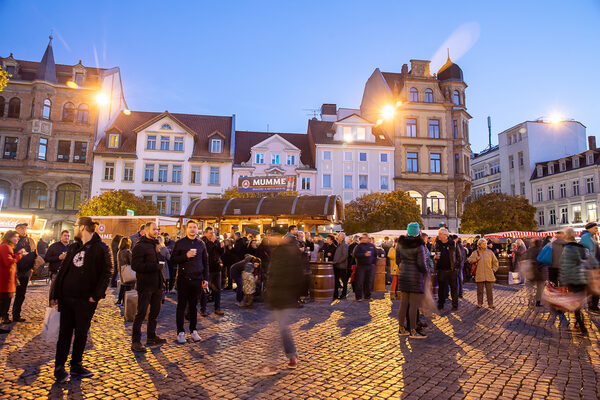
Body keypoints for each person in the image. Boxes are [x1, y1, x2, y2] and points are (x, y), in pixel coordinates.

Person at [49, 217, 112, 383]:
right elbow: (63, 270)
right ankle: (59, 367)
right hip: (66, 298)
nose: (74, 229)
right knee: (64, 333)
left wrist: (96, 295)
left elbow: (107, 272)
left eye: (76, 226)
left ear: (83, 227)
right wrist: (55, 294)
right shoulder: (73, 247)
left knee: (81, 333)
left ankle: (76, 365)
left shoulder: (100, 248)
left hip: (86, 299)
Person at [256, 234, 304, 376]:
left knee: (277, 331)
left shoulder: (283, 252)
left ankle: (271, 364)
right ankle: (292, 356)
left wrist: (272, 293)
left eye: (273, 235)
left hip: (281, 296)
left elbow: (277, 275)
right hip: (286, 296)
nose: (271, 238)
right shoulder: (292, 250)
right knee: (282, 328)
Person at [131, 222, 166, 353]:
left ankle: (151, 336)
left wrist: (161, 281)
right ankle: (136, 341)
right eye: (154, 229)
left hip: (157, 284)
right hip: (145, 285)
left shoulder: (156, 244)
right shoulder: (140, 246)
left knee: (155, 312)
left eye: (157, 229)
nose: (156, 231)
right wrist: (154, 267)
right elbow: (135, 265)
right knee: (141, 313)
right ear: (146, 231)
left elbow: (159, 263)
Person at [172, 220, 209, 344]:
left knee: (194, 306)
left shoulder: (201, 244)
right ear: (186, 229)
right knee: (181, 306)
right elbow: (172, 260)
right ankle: (180, 332)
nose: (192, 229)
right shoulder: (180, 243)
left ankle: (193, 330)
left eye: (194, 227)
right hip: (183, 279)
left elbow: (205, 262)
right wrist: (185, 256)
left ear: (197, 229)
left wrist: (206, 279)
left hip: (197, 279)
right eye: (190, 227)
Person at [560, 227, 596, 336]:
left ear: (566, 236)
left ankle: (582, 326)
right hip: (583, 278)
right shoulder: (581, 247)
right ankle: (577, 324)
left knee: (575, 305)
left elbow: (565, 267)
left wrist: (563, 283)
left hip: (573, 279)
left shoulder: (568, 249)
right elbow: (589, 260)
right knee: (578, 303)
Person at [396, 223, 428, 339]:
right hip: (415, 276)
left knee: (403, 303)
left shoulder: (400, 244)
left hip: (403, 274)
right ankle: (413, 330)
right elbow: (421, 264)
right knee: (413, 305)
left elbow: (397, 260)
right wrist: (426, 272)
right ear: (417, 232)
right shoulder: (419, 246)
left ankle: (401, 328)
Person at [11, 223, 37, 323]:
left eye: (25, 228)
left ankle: (16, 314)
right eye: (21, 228)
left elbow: (35, 253)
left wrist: (33, 266)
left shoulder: (30, 240)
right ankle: (4, 315)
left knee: (21, 294)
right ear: (16, 229)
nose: (23, 229)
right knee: (8, 294)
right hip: (15, 271)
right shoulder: (13, 240)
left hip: (26, 271)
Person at [0, 231, 25, 331]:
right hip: (4, 279)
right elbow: (8, 262)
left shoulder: (6, 246)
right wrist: (19, 254)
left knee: (4, 302)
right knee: (3, 302)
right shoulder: (5, 246)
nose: (17, 239)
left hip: (6, 279)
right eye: (16, 237)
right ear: (10, 237)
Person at [468, 238, 499, 308]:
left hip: (489, 274)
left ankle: (490, 304)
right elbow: (469, 260)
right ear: (479, 245)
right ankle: (479, 303)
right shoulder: (475, 252)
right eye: (483, 243)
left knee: (489, 291)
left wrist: (493, 270)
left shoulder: (490, 252)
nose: (485, 245)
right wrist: (476, 259)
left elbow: (495, 262)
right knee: (480, 291)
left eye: (485, 243)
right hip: (479, 274)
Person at [433, 228, 459, 311]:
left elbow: (459, 256)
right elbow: (432, 252)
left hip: (451, 270)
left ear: (446, 236)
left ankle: (455, 305)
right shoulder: (437, 244)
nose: (439, 236)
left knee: (453, 288)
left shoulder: (453, 244)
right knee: (441, 288)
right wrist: (434, 257)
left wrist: (456, 266)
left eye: (440, 234)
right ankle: (441, 304)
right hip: (441, 269)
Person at [201, 227, 224, 316]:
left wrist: (221, 248)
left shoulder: (216, 241)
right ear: (205, 233)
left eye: (213, 232)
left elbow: (220, 253)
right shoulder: (203, 242)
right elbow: (207, 252)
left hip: (216, 268)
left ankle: (217, 308)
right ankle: (203, 309)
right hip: (207, 269)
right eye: (210, 233)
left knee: (217, 289)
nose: (212, 234)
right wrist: (212, 242)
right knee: (205, 289)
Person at [579, 222, 600, 313]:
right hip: (591, 266)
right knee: (595, 287)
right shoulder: (587, 238)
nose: (597, 229)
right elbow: (590, 254)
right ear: (589, 228)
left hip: (591, 265)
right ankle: (592, 306)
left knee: (594, 287)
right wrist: (596, 265)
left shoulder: (590, 237)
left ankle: (592, 305)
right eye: (595, 228)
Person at [352, 233, 377, 301]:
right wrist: (364, 254)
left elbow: (375, 255)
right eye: (362, 238)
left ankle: (367, 296)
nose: (364, 239)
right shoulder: (359, 246)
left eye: (365, 238)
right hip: (361, 266)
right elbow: (355, 255)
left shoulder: (372, 246)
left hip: (370, 266)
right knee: (359, 281)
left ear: (368, 238)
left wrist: (374, 263)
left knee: (369, 281)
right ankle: (358, 297)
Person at [525, 238, 546, 307]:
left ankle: (530, 299)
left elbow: (525, 259)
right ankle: (538, 301)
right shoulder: (542, 250)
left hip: (531, 271)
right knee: (540, 287)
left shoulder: (530, 250)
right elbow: (544, 261)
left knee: (530, 286)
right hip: (540, 272)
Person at [116, 237, 133, 305]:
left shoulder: (119, 251)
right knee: (128, 288)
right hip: (127, 271)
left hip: (121, 271)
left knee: (122, 286)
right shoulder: (127, 251)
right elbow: (131, 262)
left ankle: (120, 300)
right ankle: (125, 302)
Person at [332, 233, 349, 300]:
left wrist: (338, 261)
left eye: (338, 237)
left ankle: (343, 294)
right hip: (337, 266)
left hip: (342, 266)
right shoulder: (339, 245)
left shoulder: (344, 245)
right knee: (336, 280)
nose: (337, 238)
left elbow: (345, 255)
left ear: (342, 238)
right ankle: (335, 294)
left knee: (344, 281)